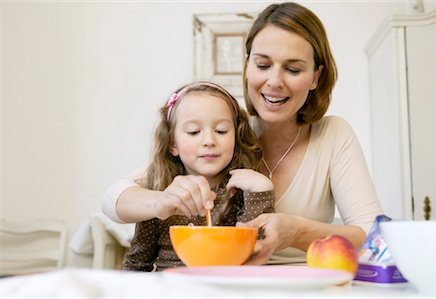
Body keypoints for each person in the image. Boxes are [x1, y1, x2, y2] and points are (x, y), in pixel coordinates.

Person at [102, 2, 382, 266]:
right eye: (262, 65)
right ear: (247, 66)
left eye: (293, 69)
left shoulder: (332, 135)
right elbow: (112, 198)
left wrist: (298, 232)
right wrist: (159, 201)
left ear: (316, 77)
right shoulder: (225, 136)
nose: (274, 81)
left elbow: (376, 239)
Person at [122, 81, 274, 271]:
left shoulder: (243, 189)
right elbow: (137, 263)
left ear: (236, 136)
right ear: (172, 143)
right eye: (194, 132)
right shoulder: (160, 190)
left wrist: (261, 193)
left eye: (221, 131)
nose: (209, 141)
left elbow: (255, 257)